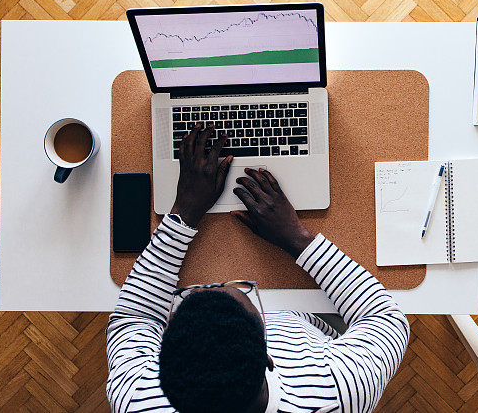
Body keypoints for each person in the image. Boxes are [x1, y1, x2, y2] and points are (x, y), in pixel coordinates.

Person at [106, 123, 410, 413]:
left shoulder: (137, 400)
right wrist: (297, 239)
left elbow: (135, 319)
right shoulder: (339, 390)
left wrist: (182, 214)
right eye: (245, 301)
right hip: (311, 321)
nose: (221, 283)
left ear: (162, 371)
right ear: (269, 358)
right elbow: (387, 320)